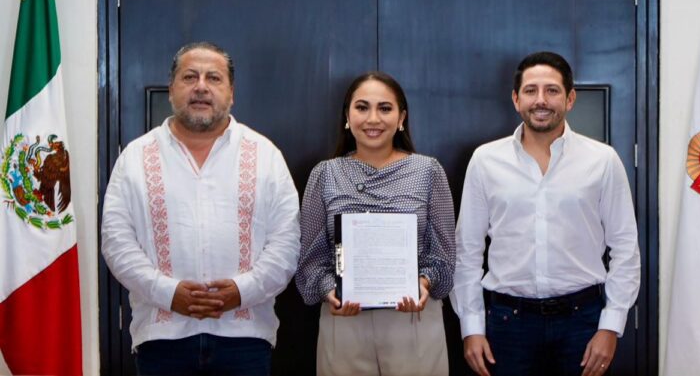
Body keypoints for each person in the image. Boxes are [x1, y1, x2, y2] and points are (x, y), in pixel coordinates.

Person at [101, 42, 300, 376]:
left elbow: (286, 243)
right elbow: (117, 242)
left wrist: (241, 292)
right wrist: (168, 294)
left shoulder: (265, 155)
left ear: (231, 93)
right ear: (172, 89)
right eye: (190, 77)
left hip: (245, 339)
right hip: (161, 340)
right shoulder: (135, 158)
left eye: (214, 78)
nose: (201, 87)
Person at [451, 51, 641, 376]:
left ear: (570, 99)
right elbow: (466, 250)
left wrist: (611, 326)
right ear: (516, 99)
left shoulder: (603, 160)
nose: (541, 100)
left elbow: (625, 247)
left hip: (583, 323)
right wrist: (471, 327)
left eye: (552, 90)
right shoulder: (485, 160)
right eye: (531, 90)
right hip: (507, 325)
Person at [295, 71, 456, 376]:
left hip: (412, 319)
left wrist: (423, 284)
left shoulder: (428, 171)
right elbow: (310, 259)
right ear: (347, 116)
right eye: (362, 107)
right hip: (344, 322)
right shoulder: (325, 174)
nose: (373, 119)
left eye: (385, 108)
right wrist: (331, 291)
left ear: (401, 117)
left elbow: (444, 254)